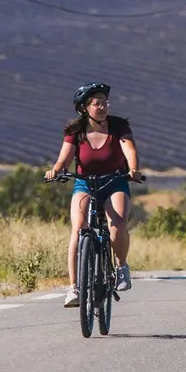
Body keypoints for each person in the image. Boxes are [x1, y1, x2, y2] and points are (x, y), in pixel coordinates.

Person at [44, 82, 141, 308]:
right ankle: (74, 288)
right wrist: (55, 171)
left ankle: (122, 267)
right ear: (84, 108)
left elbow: (130, 150)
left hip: (114, 181)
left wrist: (133, 168)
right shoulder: (75, 131)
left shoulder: (118, 126)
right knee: (78, 230)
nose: (102, 106)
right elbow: (64, 158)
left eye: (104, 102)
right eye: (96, 103)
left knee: (116, 223)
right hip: (84, 184)